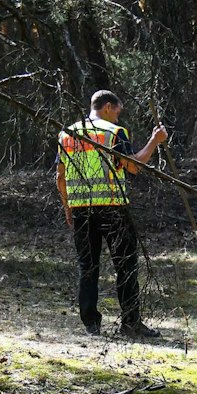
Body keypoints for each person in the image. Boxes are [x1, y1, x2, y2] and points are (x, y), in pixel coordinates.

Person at [57, 90, 168, 339]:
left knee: (88, 266)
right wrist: (154, 140)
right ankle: (131, 323)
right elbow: (133, 166)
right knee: (125, 265)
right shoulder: (113, 133)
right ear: (108, 107)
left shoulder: (67, 134)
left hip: (80, 210)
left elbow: (60, 177)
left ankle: (91, 324)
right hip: (112, 207)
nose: (118, 118)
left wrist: (67, 207)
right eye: (118, 111)